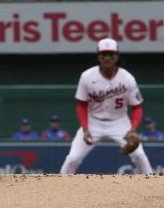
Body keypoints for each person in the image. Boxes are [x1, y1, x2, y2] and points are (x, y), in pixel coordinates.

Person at [60, 38, 153, 174]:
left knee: (140, 156)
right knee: (73, 158)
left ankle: (153, 188)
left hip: (120, 122)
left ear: (117, 56)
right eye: (104, 54)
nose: (107, 58)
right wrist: (85, 128)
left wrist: (132, 129)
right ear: (98, 56)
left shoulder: (127, 78)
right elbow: (81, 105)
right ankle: (58, 190)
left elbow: (137, 107)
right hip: (93, 122)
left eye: (111, 54)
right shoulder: (87, 76)